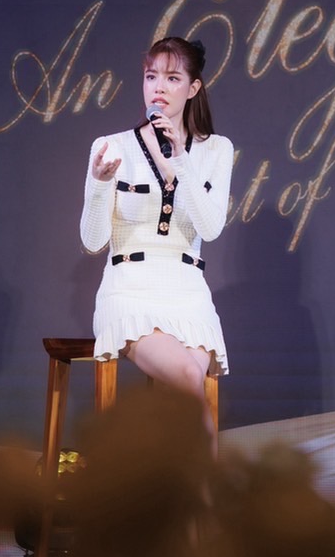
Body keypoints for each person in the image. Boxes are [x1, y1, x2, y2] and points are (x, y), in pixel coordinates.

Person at [81, 37, 233, 430]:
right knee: (187, 376)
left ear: (193, 88)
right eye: (151, 77)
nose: (159, 88)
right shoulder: (111, 146)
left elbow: (211, 228)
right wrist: (99, 184)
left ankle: (175, 469)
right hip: (129, 290)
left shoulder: (216, 150)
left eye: (172, 78)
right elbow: (93, 241)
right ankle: (205, 473)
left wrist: (181, 158)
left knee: (186, 385)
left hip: (188, 293)